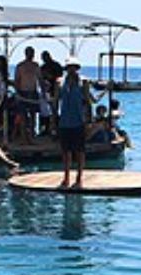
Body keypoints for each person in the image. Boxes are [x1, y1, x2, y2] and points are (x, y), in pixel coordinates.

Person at [56, 57, 97, 190]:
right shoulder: (60, 82)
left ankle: (79, 178)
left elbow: (89, 102)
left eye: (74, 67)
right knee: (65, 151)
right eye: (69, 67)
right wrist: (53, 119)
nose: (71, 69)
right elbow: (56, 101)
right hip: (64, 121)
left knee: (79, 151)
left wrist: (89, 121)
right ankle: (66, 177)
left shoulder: (83, 82)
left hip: (78, 120)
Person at [13, 47, 41, 142]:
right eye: (29, 53)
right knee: (23, 116)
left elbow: (39, 79)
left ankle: (32, 137)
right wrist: (17, 92)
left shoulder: (35, 66)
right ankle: (24, 137)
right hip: (23, 92)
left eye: (32, 53)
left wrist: (44, 92)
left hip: (33, 92)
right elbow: (16, 80)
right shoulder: (20, 66)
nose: (31, 55)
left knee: (33, 116)